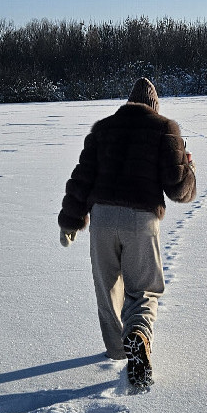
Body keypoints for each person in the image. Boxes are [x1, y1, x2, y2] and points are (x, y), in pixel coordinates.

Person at [58, 78, 196, 390]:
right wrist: (189, 168)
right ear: (154, 106)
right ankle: (138, 335)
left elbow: (82, 178)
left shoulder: (103, 128)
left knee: (107, 288)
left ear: (128, 102)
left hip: (102, 218)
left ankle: (117, 350)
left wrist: (70, 220)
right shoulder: (165, 128)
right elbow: (177, 188)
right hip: (141, 219)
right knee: (144, 288)